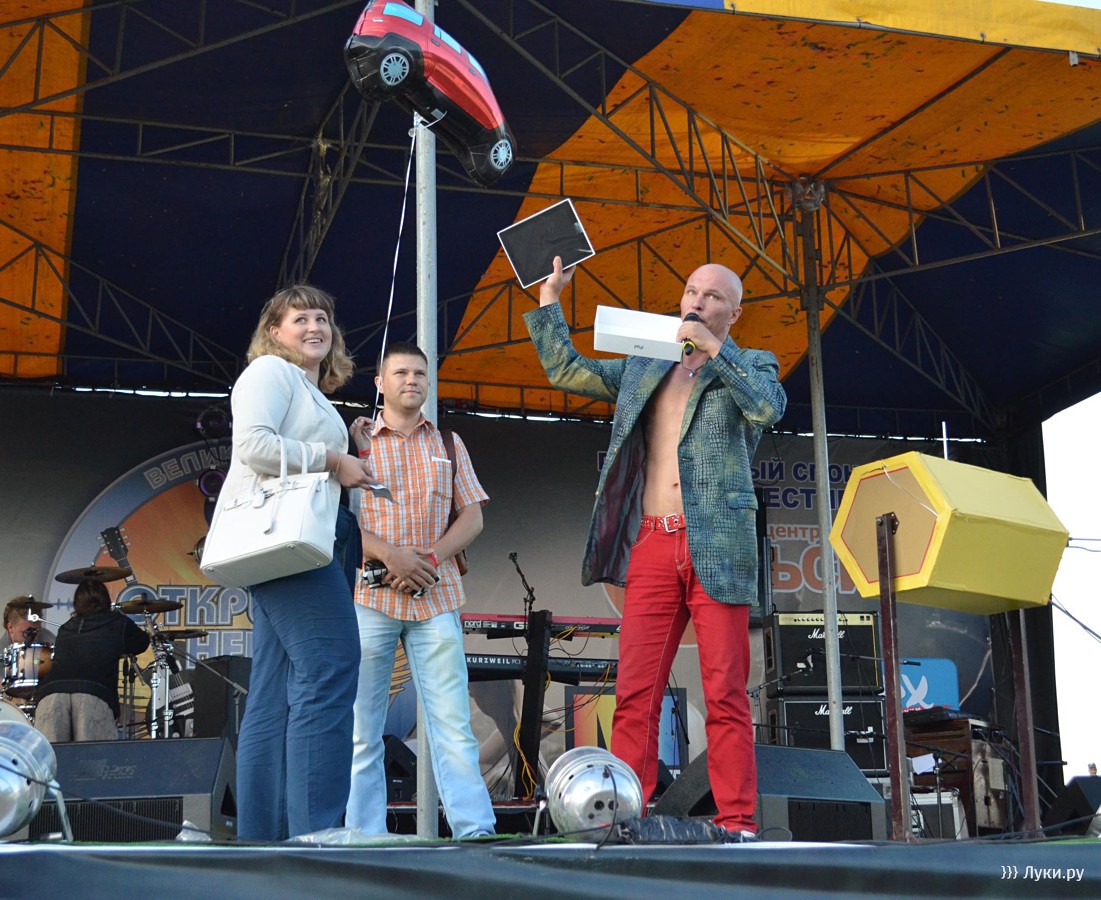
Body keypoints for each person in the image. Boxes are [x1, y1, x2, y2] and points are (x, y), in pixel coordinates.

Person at [524, 258, 786, 837]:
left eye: (712, 296)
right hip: (653, 540)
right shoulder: (648, 363)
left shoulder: (752, 364)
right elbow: (568, 370)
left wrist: (715, 349)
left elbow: (769, 408)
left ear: (734, 312)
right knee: (635, 690)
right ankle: (626, 814)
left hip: (717, 544)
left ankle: (738, 822)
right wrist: (549, 303)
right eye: (691, 291)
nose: (698, 301)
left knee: (725, 692)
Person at [222, 284, 376, 841]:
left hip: (307, 542)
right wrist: (334, 459)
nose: (315, 327)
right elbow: (254, 446)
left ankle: (264, 840)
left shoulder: (311, 392)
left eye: (323, 319)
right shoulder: (270, 372)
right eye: (301, 319)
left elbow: (298, 449)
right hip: (293, 545)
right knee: (330, 667)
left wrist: (348, 446)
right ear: (274, 332)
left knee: (274, 690)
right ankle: (315, 834)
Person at [345, 341, 495, 838]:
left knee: (453, 725)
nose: (411, 380)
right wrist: (391, 555)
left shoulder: (448, 441)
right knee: (362, 729)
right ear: (379, 383)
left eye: (419, 374)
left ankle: (475, 831)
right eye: (401, 373)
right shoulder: (357, 442)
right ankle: (364, 836)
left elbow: (473, 516)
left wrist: (427, 559)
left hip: (436, 595)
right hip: (371, 597)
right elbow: (337, 522)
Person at [34, 579, 150, 742]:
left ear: (76, 603)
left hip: (51, 694)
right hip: (93, 694)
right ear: (106, 601)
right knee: (93, 756)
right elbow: (142, 642)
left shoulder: (66, 627)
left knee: (52, 756)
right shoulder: (118, 622)